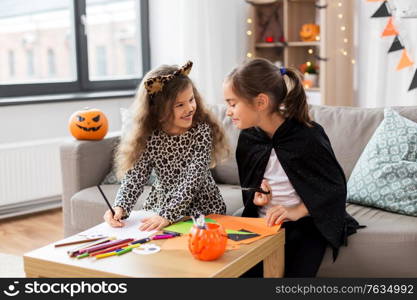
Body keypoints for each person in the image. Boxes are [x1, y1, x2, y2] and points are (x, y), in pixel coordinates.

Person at [223, 58, 363, 277]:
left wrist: (296, 211)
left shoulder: (308, 136)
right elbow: (251, 186)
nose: (228, 112)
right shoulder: (248, 138)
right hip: (261, 220)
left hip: (305, 221)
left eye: (232, 104)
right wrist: (258, 197)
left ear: (261, 102)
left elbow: (334, 188)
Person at [104, 61, 229, 231]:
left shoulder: (201, 130)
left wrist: (168, 214)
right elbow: (136, 176)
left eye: (191, 100)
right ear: (159, 110)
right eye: (180, 105)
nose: (190, 108)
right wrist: (120, 207)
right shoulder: (150, 136)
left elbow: (193, 179)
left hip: (203, 209)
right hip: (161, 207)